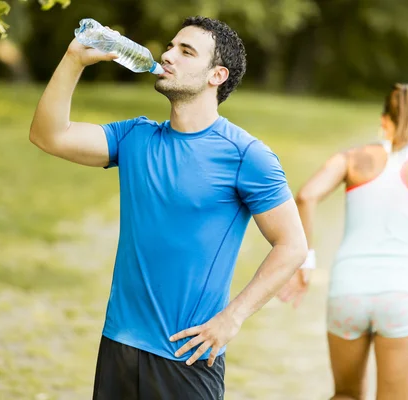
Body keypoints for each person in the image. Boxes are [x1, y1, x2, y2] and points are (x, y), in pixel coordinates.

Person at [29, 16, 307, 400]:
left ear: (217, 75)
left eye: (186, 51)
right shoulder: (134, 136)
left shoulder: (247, 156)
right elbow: (48, 135)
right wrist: (74, 59)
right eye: (171, 46)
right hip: (119, 345)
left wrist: (232, 318)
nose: (167, 55)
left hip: (186, 358)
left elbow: (291, 245)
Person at [278, 83, 408, 400]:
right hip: (404, 296)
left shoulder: (353, 159)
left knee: (345, 394)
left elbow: (306, 196)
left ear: (384, 119)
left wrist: (306, 262)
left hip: (349, 290)